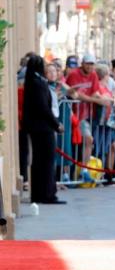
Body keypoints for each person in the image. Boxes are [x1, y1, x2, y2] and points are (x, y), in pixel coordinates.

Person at [21, 54, 64, 204]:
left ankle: (39, 194)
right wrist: (56, 124)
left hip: (37, 128)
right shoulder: (37, 83)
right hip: (43, 129)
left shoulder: (33, 81)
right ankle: (47, 194)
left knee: (40, 162)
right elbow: (44, 108)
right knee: (46, 161)